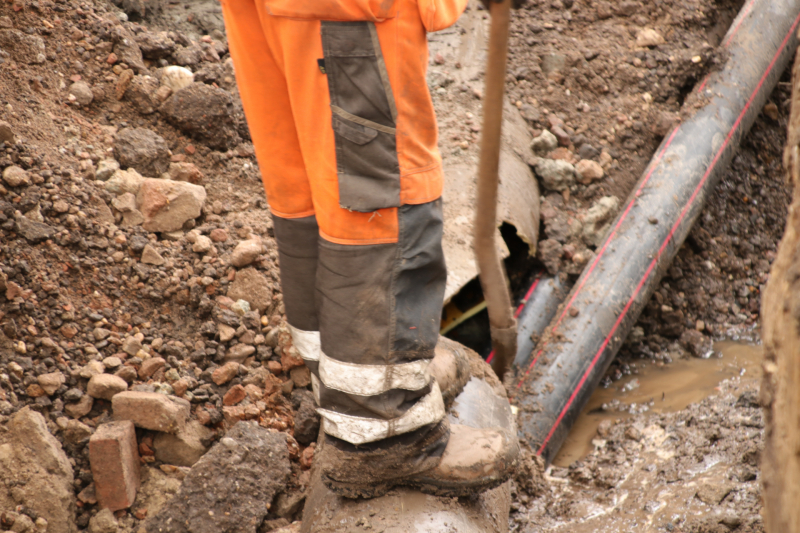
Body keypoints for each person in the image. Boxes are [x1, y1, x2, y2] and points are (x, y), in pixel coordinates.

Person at [220, 0, 521, 499]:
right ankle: (385, 434)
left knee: (310, 184)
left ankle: (345, 381)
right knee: (379, 205)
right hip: (356, 13)